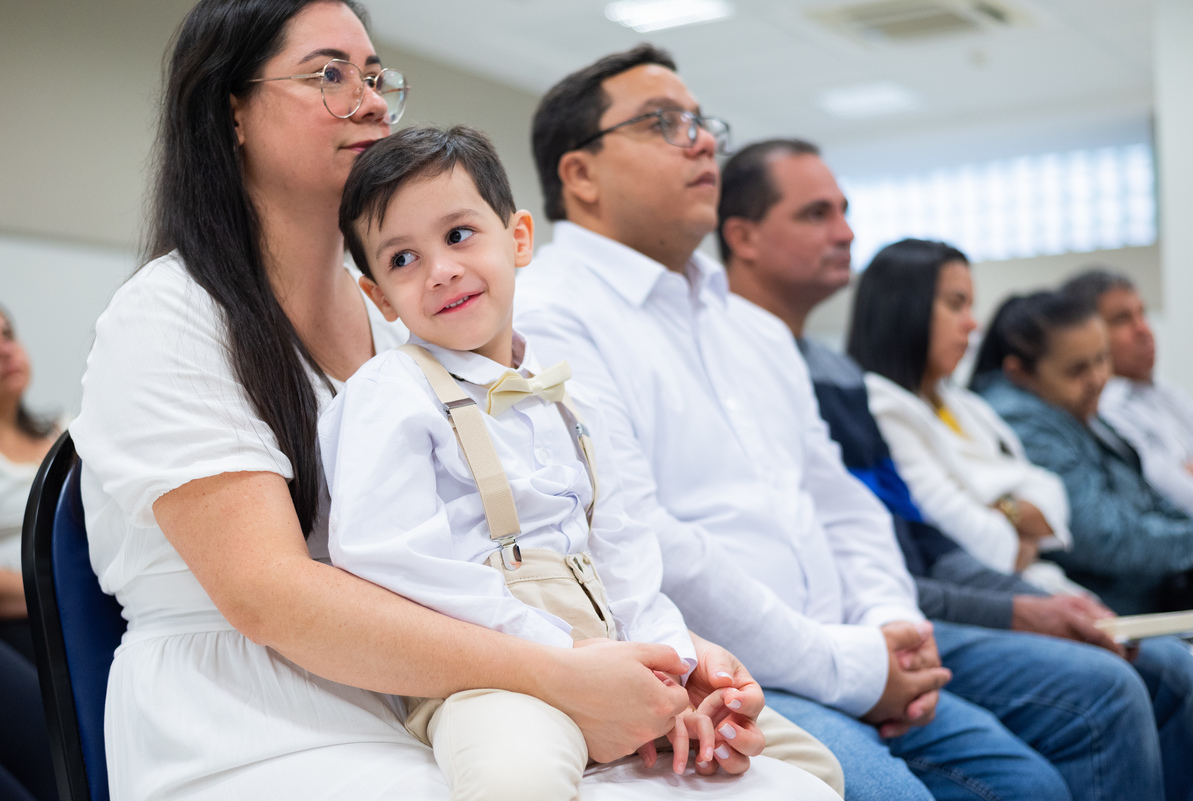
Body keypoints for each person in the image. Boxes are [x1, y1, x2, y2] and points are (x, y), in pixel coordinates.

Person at [69, 4, 815, 799]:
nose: (369, 102)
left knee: (782, 779)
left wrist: (670, 657)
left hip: (427, 682)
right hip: (250, 717)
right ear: (233, 112)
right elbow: (268, 595)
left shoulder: (404, 328)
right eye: (329, 74)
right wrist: (566, 674)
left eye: (373, 75)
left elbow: (521, 547)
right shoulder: (173, 314)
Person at [515, 43, 1089, 801]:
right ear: (579, 174)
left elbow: (840, 493)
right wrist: (854, 665)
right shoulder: (549, 315)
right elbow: (643, 537)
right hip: (729, 670)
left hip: (855, 640)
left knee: (1051, 757)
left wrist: (890, 622)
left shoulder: (746, 323)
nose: (702, 141)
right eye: (663, 123)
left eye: (700, 121)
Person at [324, 123, 841, 800]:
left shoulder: (576, 396)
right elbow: (394, 567)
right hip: (484, 669)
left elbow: (623, 553)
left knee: (810, 763)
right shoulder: (386, 395)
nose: (440, 269)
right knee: (520, 777)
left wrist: (672, 661)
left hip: (612, 642)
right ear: (378, 297)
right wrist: (565, 658)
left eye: (457, 235)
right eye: (402, 260)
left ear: (518, 239)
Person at [716, 137, 1193, 801]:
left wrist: (990, 593)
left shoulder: (839, 375)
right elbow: (976, 530)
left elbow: (922, 529)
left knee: (1141, 676)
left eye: (846, 210)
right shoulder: (765, 370)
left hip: (893, 610)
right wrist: (1009, 590)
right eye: (816, 214)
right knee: (1103, 698)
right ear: (740, 236)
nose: (846, 232)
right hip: (837, 629)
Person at [845, 239, 1079, 593]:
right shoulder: (880, 406)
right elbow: (974, 541)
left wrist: (1002, 511)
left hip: (1035, 582)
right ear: (905, 309)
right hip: (981, 594)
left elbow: (1053, 493)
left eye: (971, 306)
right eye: (956, 305)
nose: (973, 324)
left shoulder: (963, 404)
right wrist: (1018, 530)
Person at [973, 291, 1193, 616]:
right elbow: (1104, 539)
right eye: (1077, 370)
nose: (1097, 379)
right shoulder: (1021, 422)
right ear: (1020, 372)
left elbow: (1149, 495)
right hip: (1114, 608)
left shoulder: (1072, 406)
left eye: (1101, 358)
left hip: (1156, 592)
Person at [1062, 269, 1193, 518]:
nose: (1144, 330)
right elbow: (1173, 494)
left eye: (1142, 314)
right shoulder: (1101, 408)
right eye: (1122, 320)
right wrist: (1183, 473)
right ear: (1086, 335)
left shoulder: (1165, 392)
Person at [0, 308, 57, 801]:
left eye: (8, 335)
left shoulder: (66, 433)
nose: (5, 351)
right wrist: (63, 586)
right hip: (19, 623)